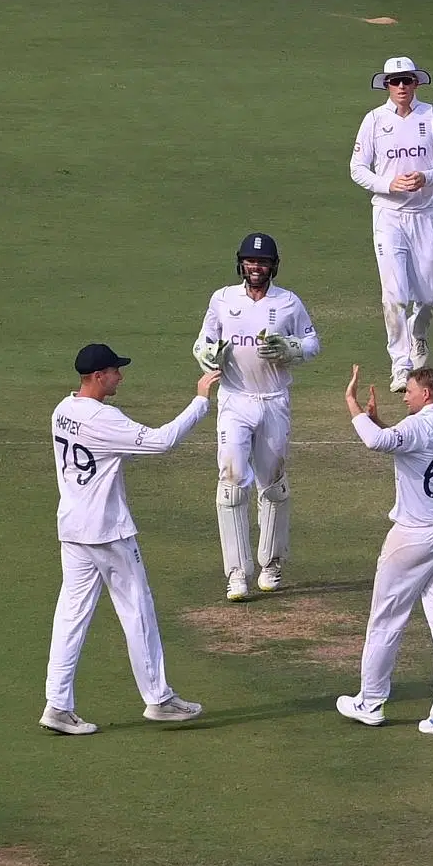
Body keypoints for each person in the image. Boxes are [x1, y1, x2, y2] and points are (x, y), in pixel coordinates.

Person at [43, 344, 220, 735]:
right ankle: (158, 699)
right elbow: (160, 442)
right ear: (97, 377)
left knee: (70, 616)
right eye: (114, 371)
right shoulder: (104, 417)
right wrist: (200, 401)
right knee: (137, 609)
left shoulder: (62, 410)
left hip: (72, 528)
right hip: (108, 532)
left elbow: (111, 452)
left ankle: (57, 704)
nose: (120, 376)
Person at [335, 365, 433, 737]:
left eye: (408, 391)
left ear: (426, 394)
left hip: (413, 536)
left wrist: (354, 407)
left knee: (385, 619)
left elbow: (378, 443)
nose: (404, 396)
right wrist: (381, 422)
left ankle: (371, 701)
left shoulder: (417, 427)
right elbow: (407, 443)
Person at [192, 232, 322, 601]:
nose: (255, 267)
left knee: (273, 482)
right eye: (250, 261)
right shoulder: (222, 299)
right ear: (241, 263)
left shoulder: (289, 303)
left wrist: (290, 347)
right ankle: (236, 574)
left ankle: (272, 563)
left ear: (273, 266)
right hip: (234, 400)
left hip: (274, 400)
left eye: (262, 262)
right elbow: (203, 341)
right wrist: (207, 355)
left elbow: (313, 343)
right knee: (232, 484)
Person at [350, 55, 433, 392]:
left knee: (428, 296)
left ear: (416, 83)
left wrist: (426, 176)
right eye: (394, 81)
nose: (401, 87)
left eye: (407, 80)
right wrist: (388, 185)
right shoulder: (373, 120)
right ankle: (400, 366)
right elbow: (357, 168)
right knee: (394, 296)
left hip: (426, 215)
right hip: (388, 216)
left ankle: (418, 333)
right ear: (386, 85)